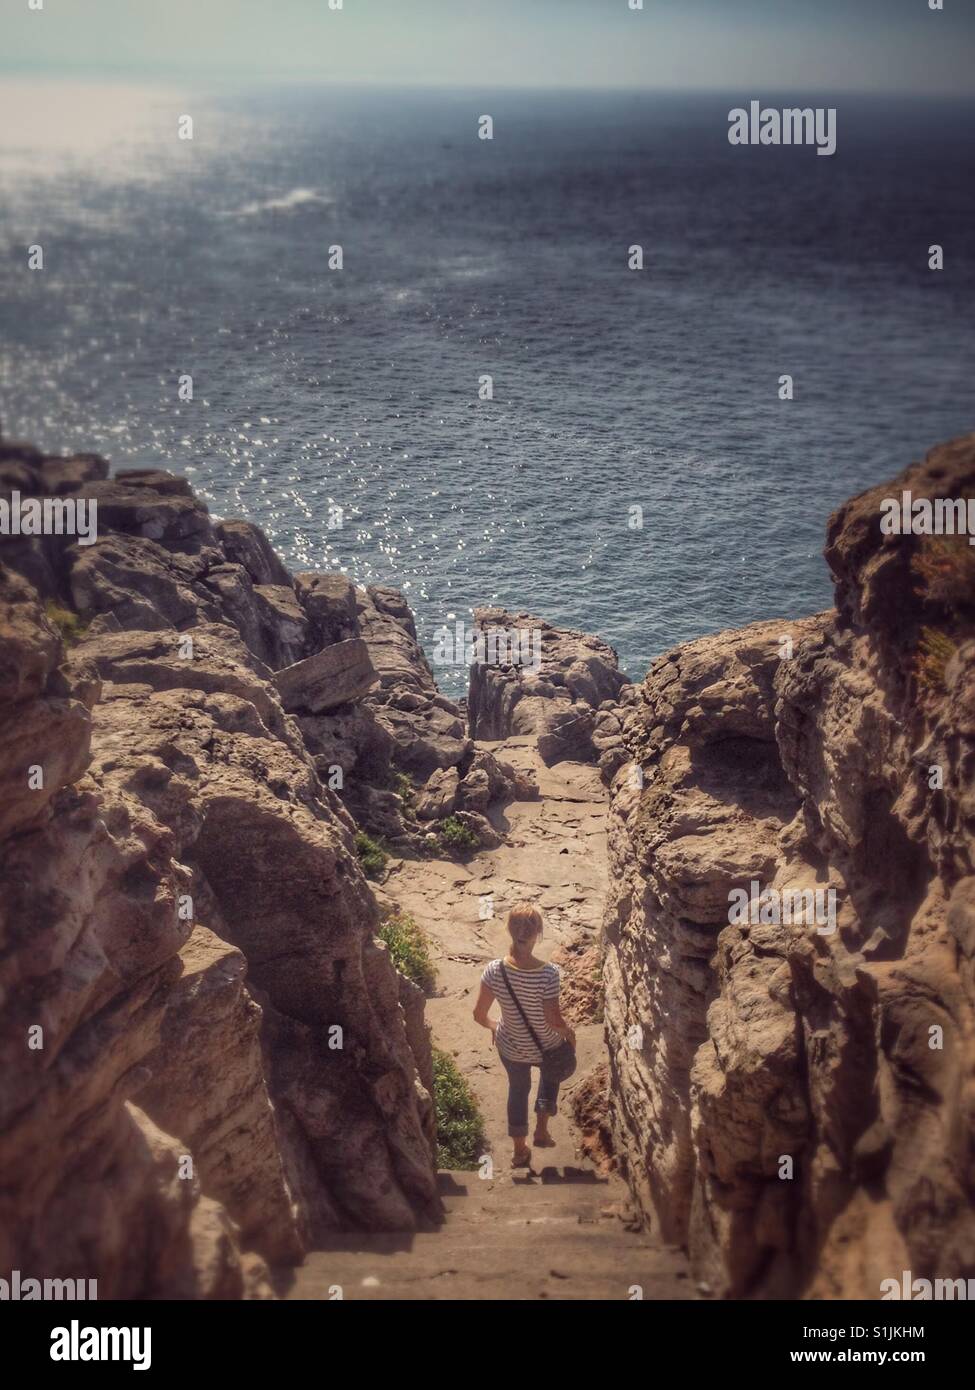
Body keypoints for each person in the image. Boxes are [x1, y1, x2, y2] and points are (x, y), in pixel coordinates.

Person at [472, 901, 576, 1167]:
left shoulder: (494, 970)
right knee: (551, 1074)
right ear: (538, 933)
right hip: (546, 1045)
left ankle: (519, 1150)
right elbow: (553, 1019)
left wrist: (496, 1026)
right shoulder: (549, 974)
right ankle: (541, 1130)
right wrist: (569, 1033)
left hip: (511, 1045)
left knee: (518, 1090)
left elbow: (479, 1015)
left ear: (509, 930)